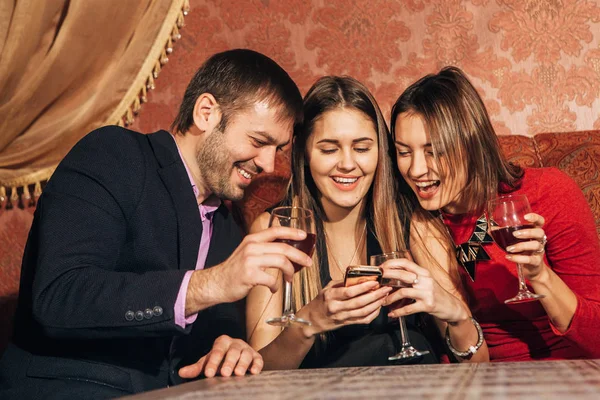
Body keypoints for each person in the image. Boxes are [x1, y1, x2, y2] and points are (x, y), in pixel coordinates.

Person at [0, 49, 310, 398]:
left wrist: (229, 349)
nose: (269, 164)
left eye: (278, 149)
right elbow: (59, 295)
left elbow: (190, 350)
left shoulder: (226, 229)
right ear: (206, 112)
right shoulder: (115, 154)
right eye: (258, 141)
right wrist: (207, 285)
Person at [245, 76, 486, 369]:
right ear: (305, 154)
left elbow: (478, 362)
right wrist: (308, 323)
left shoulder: (414, 222)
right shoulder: (275, 229)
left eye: (362, 148)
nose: (347, 163)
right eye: (329, 149)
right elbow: (260, 373)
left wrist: (454, 312)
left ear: (381, 153)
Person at [389, 66, 600, 362]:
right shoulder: (421, 223)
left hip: (567, 372)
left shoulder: (549, 193)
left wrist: (541, 277)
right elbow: (466, 360)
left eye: (434, 150)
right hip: (484, 381)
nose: (416, 170)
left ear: (472, 144)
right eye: (404, 151)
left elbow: (597, 339)